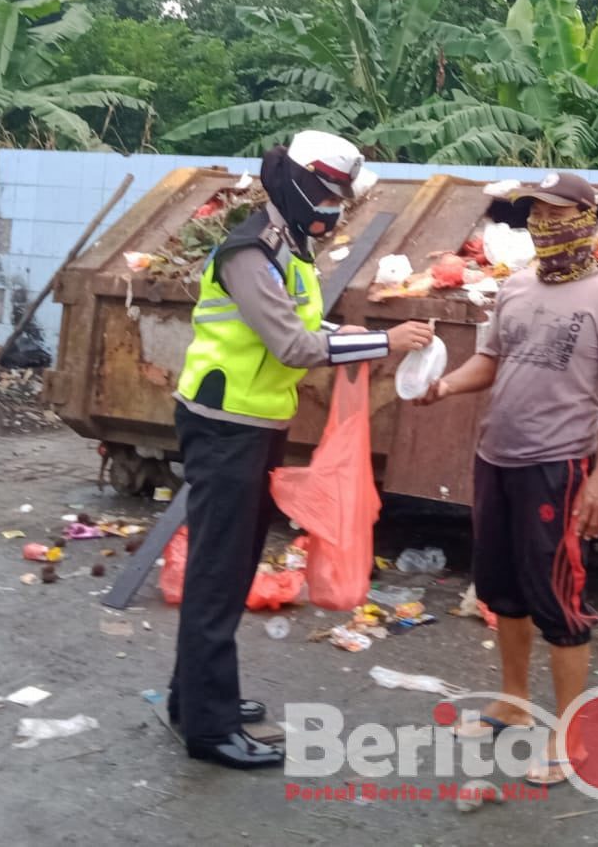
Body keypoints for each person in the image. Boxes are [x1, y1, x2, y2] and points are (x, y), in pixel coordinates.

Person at [169, 130, 433, 770]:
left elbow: (299, 327)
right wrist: (380, 343)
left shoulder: (288, 249)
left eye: (340, 195)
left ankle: (195, 698)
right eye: (326, 191)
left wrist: (342, 332)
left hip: (253, 421)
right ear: (292, 183)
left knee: (228, 564)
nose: (333, 205)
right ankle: (209, 729)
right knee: (219, 571)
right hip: (226, 422)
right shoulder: (249, 253)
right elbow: (291, 346)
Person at [416, 171, 598, 786]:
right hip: (497, 460)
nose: (542, 224)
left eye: (553, 213)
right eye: (534, 214)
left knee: (559, 602)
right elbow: (490, 362)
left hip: (561, 467)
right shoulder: (515, 289)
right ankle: (513, 701)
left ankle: (571, 737)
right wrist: (442, 386)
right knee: (502, 590)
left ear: (582, 219)